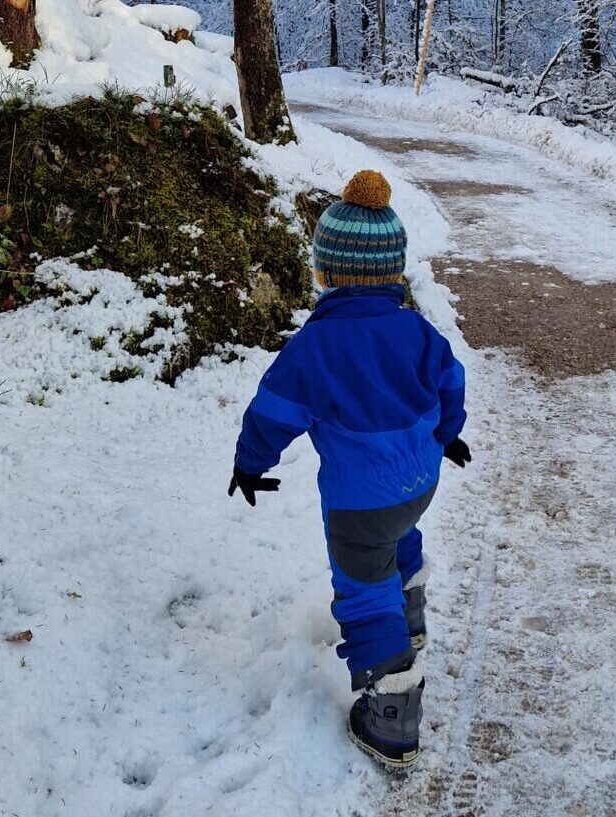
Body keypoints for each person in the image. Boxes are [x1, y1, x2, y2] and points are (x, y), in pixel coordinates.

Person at [229, 169, 470, 770]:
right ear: (392, 271)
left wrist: (250, 463)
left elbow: (271, 413)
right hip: (419, 484)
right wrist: (447, 435)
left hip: (360, 503)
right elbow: (450, 383)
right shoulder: (416, 329)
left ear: (326, 272)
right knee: (400, 536)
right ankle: (411, 614)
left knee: (363, 590)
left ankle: (392, 718)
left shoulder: (315, 346)